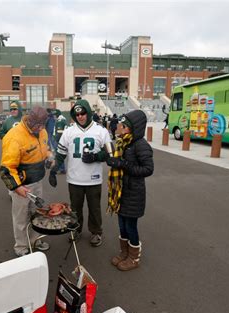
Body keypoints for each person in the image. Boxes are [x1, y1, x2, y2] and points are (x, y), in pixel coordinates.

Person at [49, 100, 111, 246]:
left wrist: (96, 156)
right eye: (77, 114)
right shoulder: (69, 131)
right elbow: (61, 153)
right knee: (75, 208)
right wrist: (54, 170)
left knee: (94, 208)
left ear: (88, 112)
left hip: (93, 179)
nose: (80, 116)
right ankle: (76, 230)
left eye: (83, 113)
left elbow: (110, 153)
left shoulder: (100, 131)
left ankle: (96, 232)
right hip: (74, 179)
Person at [106, 110, 154, 271]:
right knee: (122, 225)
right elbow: (121, 163)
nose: (121, 127)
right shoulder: (123, 142)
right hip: (121, 192)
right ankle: (124, 252)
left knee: (130, 226)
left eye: (125, 125)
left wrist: (124, 165)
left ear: (134, 128)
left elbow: (148, 169)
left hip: (134, 193)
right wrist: (114, 162)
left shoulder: (140, 145)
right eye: (122, 124)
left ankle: (134, 257)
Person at [0, 106, 51, 257]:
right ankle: (21, 247)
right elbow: (6, 169)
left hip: (37, 181)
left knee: (37, 213)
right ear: (29, 119)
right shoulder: (14, 137)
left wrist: (48, 156)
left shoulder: (42, 131)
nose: (40, 128)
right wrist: (17, 187)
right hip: (21, 184)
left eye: (43, 125)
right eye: (37, 125)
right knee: (21, 217)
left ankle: (35, 240)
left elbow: (45, 147)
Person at [53, 109, 67, 174]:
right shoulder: (63, 119)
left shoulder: (60, 121)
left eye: (54, 115)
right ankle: (61, 168)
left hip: (59, 140)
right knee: (59, 155)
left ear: (57, 115)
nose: (54, 116)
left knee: (59, 155)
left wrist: (56, 140)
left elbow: (59, 132)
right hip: (61, 140)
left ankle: (62, 169)